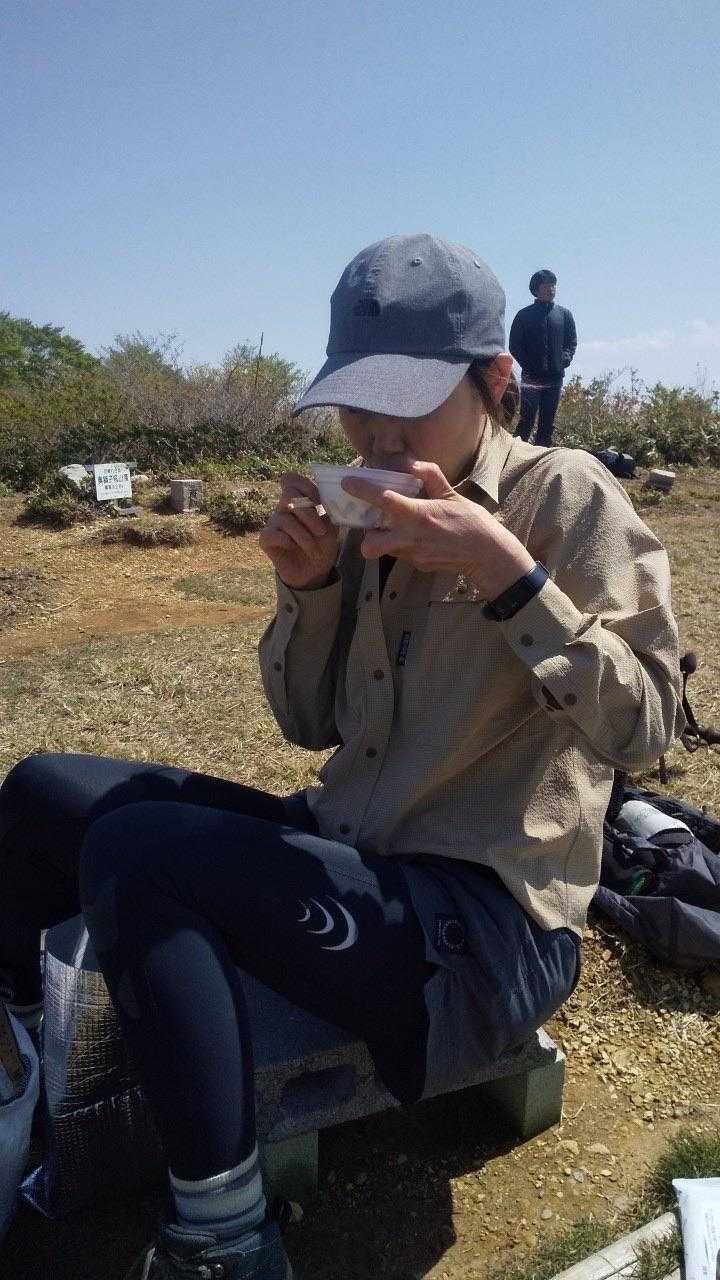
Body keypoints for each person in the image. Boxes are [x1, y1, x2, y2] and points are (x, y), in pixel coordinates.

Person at [0, 235, 683, 1280]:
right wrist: (312, 586)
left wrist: (510, 578)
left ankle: (223, 1238)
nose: (376, 436)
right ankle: (15, 1050)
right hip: (354, 847)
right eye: (357, 406)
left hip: (485, 928)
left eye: (407, 404)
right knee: (43, 789)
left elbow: (651, 728)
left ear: (496, 379)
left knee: (141, 853)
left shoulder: (564, 494)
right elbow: (310, 724)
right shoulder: (371, 514)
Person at [510, 269, 577, 446]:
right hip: (531, 378)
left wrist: (563, 360)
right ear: (536, 289)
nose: (551, 289)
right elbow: (514, 346)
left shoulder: (564, 315)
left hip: (555, 377)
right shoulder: (524, 315)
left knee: (547, 424)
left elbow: (571, 342)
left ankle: (542, 458)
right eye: (547, 285)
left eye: (553, 285)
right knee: (526, 421)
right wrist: (529, 365)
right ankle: (515, 456)